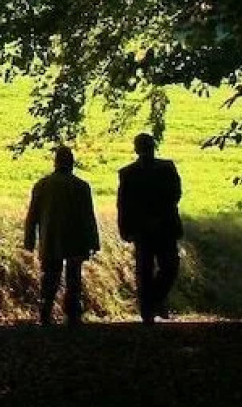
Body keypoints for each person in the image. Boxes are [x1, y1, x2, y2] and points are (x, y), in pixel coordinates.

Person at [23, 145, 101, 326]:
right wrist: (93, 241)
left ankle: (46, 311)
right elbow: (89, 217)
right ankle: (72, 313)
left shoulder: (42, 185)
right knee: (74, 277)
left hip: (51, 237)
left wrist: (29, 240)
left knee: (50, 276)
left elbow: (32, 215)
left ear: (55, 162)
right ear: (72, 163)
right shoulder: (81, 186)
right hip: (76, 239)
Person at [117, 132, 183, 323]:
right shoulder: (166, 168)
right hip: (160, 227)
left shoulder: (129, 173)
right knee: (164, 268)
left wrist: (125, 227)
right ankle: (152, 305)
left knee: (150, 269)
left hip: (147, 228)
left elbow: (123, 204)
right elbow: (175, 194)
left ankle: (151, 304)